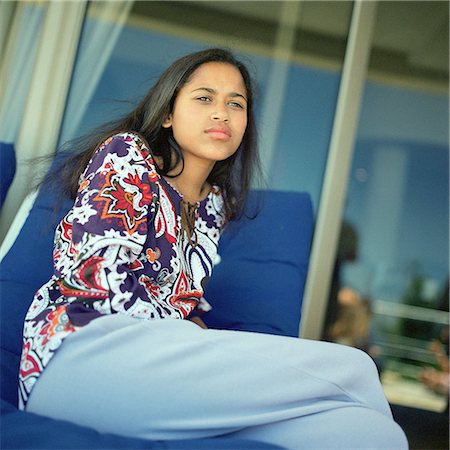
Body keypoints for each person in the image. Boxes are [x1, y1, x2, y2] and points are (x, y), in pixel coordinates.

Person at [19, 48, 408, 449]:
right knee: (355, 366)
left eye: (235, 104)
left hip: (156, 376)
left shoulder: (214, 205)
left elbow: (180, 301)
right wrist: (185, 330)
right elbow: (94, 275)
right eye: (204, 98)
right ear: (168, 113)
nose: (221, 113)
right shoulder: (127, 154)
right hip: (81, 358)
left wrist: (190, 327)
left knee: (373, 434)